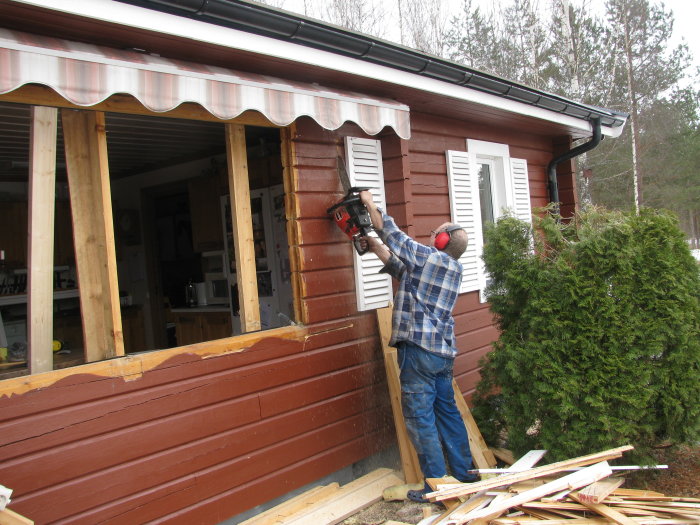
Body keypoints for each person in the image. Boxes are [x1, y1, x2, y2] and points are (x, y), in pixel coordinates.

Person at [358, 190, 477, 503]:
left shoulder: (430, 257)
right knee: (447, 412)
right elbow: (401, 269)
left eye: (436, 234)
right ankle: (464, 475)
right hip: (441, 354)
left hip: (419, 352)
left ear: (442, 242)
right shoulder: (448, 268)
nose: (431, 236)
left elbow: (394, 234)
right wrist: (374, 247)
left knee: (420, 416)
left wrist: (369, 204)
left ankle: (436, 484)